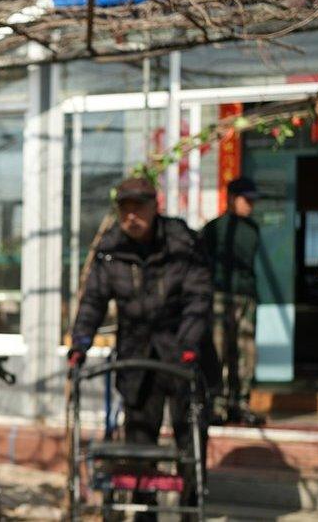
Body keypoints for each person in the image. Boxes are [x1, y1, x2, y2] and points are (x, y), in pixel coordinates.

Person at [69, 177, 212, 516]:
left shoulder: (183, 244)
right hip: (135, 355)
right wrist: (80, 343)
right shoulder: (111, 250)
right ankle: (144, 508)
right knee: (139, 441)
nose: (131, 217)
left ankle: (190, 509)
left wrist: (189, 345)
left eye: (138, 208)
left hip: (181, 351)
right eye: (124, 209)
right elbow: (93, 301)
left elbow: (198, 298)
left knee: (189, 437)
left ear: (155, 206)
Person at [200, 177, 264, 425]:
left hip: (246, 295)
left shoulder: (253, 229)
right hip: (219, 296)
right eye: (245, 200)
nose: (250, 205)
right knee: (218, 349)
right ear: (231, 198)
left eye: (252, 201)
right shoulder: (214, 229)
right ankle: (216, 403)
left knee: (246, 350)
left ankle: (240, 402)